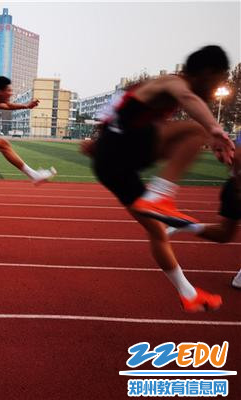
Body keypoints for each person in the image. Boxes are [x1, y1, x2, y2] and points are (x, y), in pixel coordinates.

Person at [84, 45, 235, 312]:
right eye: (219, 80)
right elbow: (188, 97)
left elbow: (115, 115)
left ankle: (187, 293)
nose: (217, 88)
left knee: (157, 231)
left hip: (111, 163)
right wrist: (214, 128)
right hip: (120, 149)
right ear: (207, 72)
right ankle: (160, 196)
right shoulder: (172, 82)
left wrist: (99, 143)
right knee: (194, 131)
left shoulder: (153, 89)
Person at [167, 143, 241, 289]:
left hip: (234, 186)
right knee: (224, 233)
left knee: (224, 234)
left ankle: (184, 224)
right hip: (235, 187)